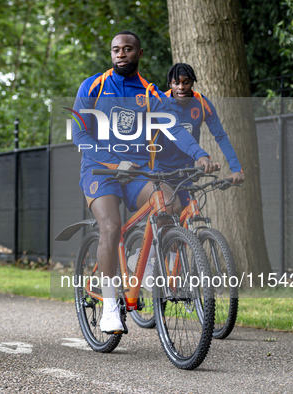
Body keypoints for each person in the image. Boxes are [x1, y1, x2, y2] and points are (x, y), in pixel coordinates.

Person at [71, 31, 218, 333]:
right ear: (111, 54)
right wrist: (114, 162)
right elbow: (80, 135)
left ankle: (146, 264)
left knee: (170, 203)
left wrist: (200, 154)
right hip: (100, 171)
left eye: (127, 49)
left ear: (139, 53)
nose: (121, 54)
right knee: (111, 227)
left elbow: (175, 128)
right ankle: (111, 305)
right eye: (115, 50)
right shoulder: (93, 86)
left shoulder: (150, 93)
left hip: (137, 172)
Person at [157, 63, 244, 211]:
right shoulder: (160, 102)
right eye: (176, 83)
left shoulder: (202, 104)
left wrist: (236, 168)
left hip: (185, 171)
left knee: (184, 216)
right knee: (169, 210)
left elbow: (221, 136)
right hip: (159, 168)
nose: (181, 87)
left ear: (192, 82)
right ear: (170, 84)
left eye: (186, 82)